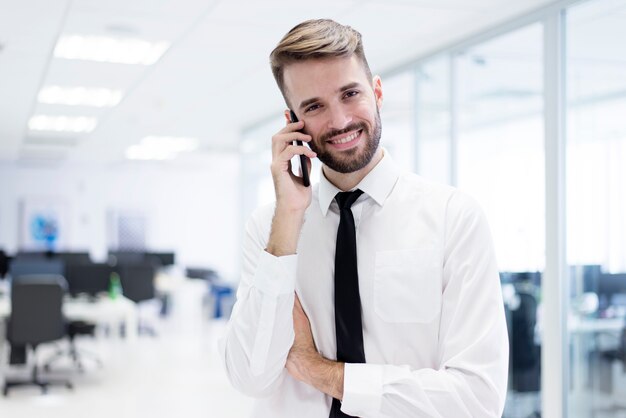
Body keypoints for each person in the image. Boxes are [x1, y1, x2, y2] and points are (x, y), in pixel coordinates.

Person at [220, 19, 509, 417]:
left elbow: (478, 400)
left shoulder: (453, 218)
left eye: (349, 93)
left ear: (376, 91)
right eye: (315, 106)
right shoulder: (270, 230)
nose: (339, 121)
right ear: (293, 121)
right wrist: (287, 220)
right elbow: (251, 377)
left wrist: (319, 371)